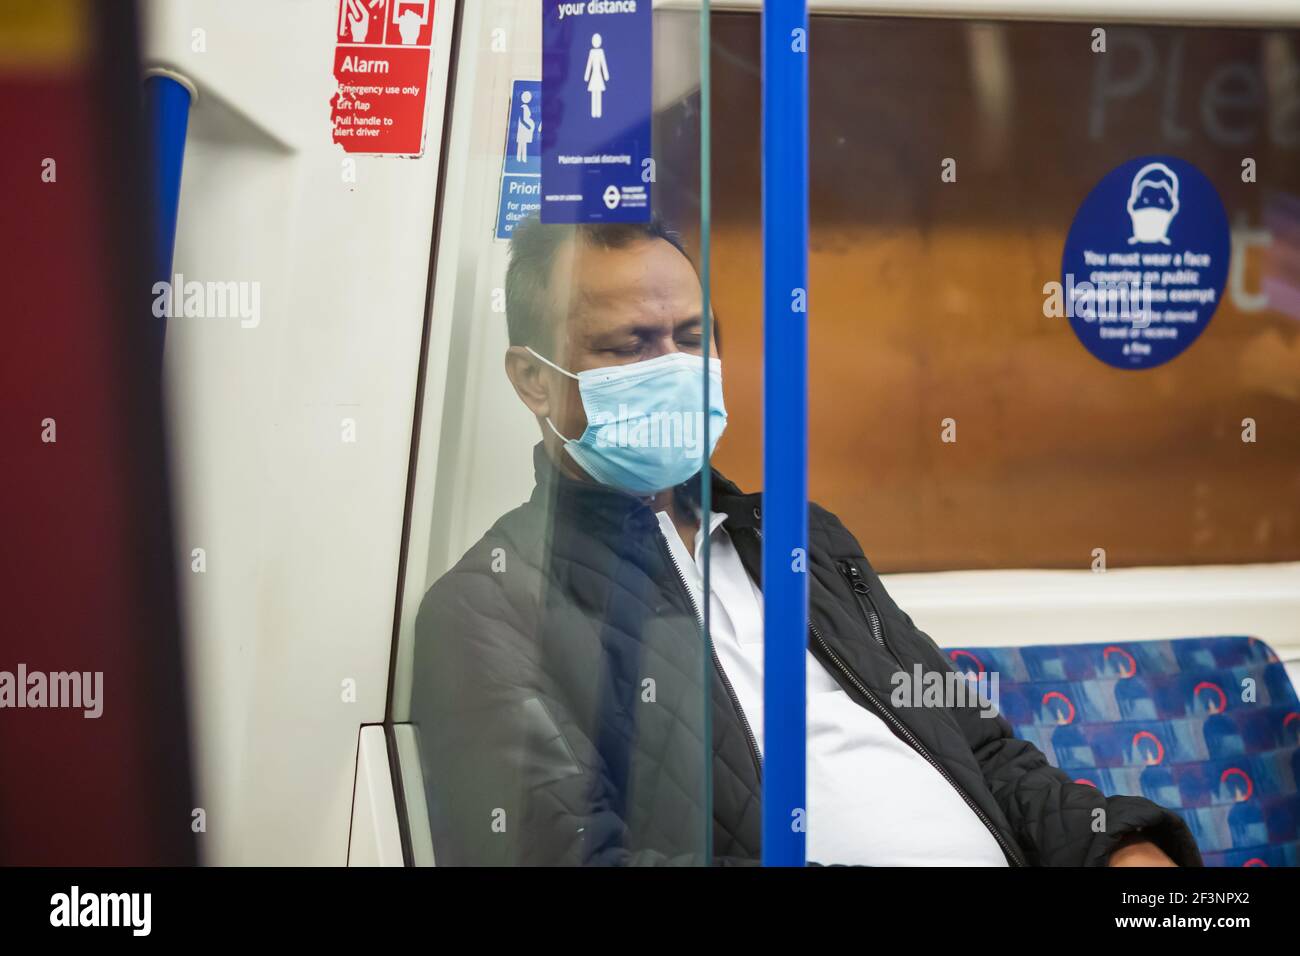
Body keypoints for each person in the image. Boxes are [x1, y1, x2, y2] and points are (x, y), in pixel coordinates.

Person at [411, 215, 1202, 867]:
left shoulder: (802, 541)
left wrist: (1119, 847)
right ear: (533, 379)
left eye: (693, 335)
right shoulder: (491, 608)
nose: (676, 367)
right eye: (630, 345)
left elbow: (980, 751)